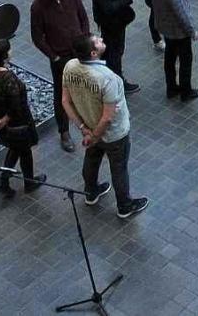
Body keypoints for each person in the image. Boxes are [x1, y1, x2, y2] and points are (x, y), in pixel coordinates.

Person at [62, 34, 149, 219]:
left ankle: (91, 192)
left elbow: (65, 101)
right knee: (119, 168)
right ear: (93, 53)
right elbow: (108, 117)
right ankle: (124, 205)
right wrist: (94, 135)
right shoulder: (108, 78)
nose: (102, 39)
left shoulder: (70, 67)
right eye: (98, 41)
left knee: (92, 159)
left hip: (89, 126)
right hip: (114, 134)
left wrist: (84, 129)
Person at [30, 0, 89, 153]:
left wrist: (85, 41)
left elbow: (83, 17)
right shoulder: (38, 6)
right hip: (60, 57)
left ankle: (89, 120)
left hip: (79, 52)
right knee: (62, 95)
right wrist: (54, 57)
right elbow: (37, 38)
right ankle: (64, 132)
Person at [0, 39, 45, 197]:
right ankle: (29, 183)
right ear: (4, 56)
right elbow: (16, 105)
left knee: (15, 148)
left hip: (1, 121)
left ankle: (4, 180)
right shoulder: (8, 78)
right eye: (9, 50)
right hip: (18, 124)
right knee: (24, 151)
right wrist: (4, 120)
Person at [84, 0, 139, 94]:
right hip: (113, 21)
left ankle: (108, 76)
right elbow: (108, 7)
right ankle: (117, 82)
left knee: (109, 49)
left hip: (106, 19)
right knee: (115, 51)